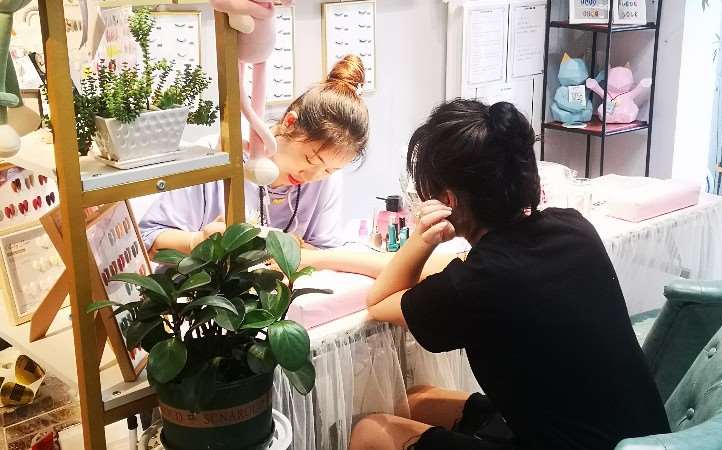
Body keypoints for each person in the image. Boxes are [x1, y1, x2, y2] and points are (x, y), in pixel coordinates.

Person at [344, 100, 670, 450]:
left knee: (370, 432)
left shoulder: (476, 283)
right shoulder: (573, 229)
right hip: (645, 439)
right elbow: (457, 273)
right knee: (418, 400)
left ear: (448, 201)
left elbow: (380, 301)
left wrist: (422, 239)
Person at [139, 55, 369, 254]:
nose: (312, 176)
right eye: (310, 160)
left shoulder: (325, 181)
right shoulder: (218, 156)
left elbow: (323, 250)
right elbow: (149, 237)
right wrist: (197, 241)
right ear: (289, 123)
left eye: (329, 170)